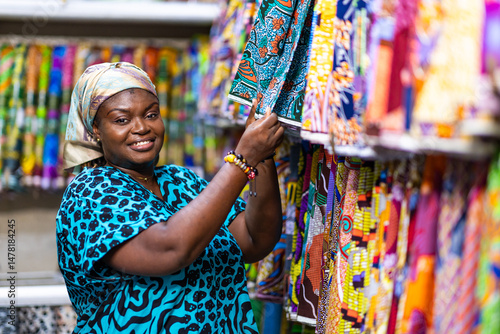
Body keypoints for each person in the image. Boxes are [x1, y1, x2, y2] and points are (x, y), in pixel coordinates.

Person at [56, 62, 284, 333]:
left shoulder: (181, 181)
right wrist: (243, 158)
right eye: (121, 120)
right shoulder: (90, 191)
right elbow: (171, 250)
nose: (141, 127)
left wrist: (262, 157)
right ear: (95, 130)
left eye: (151, 115)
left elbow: (254, 239)